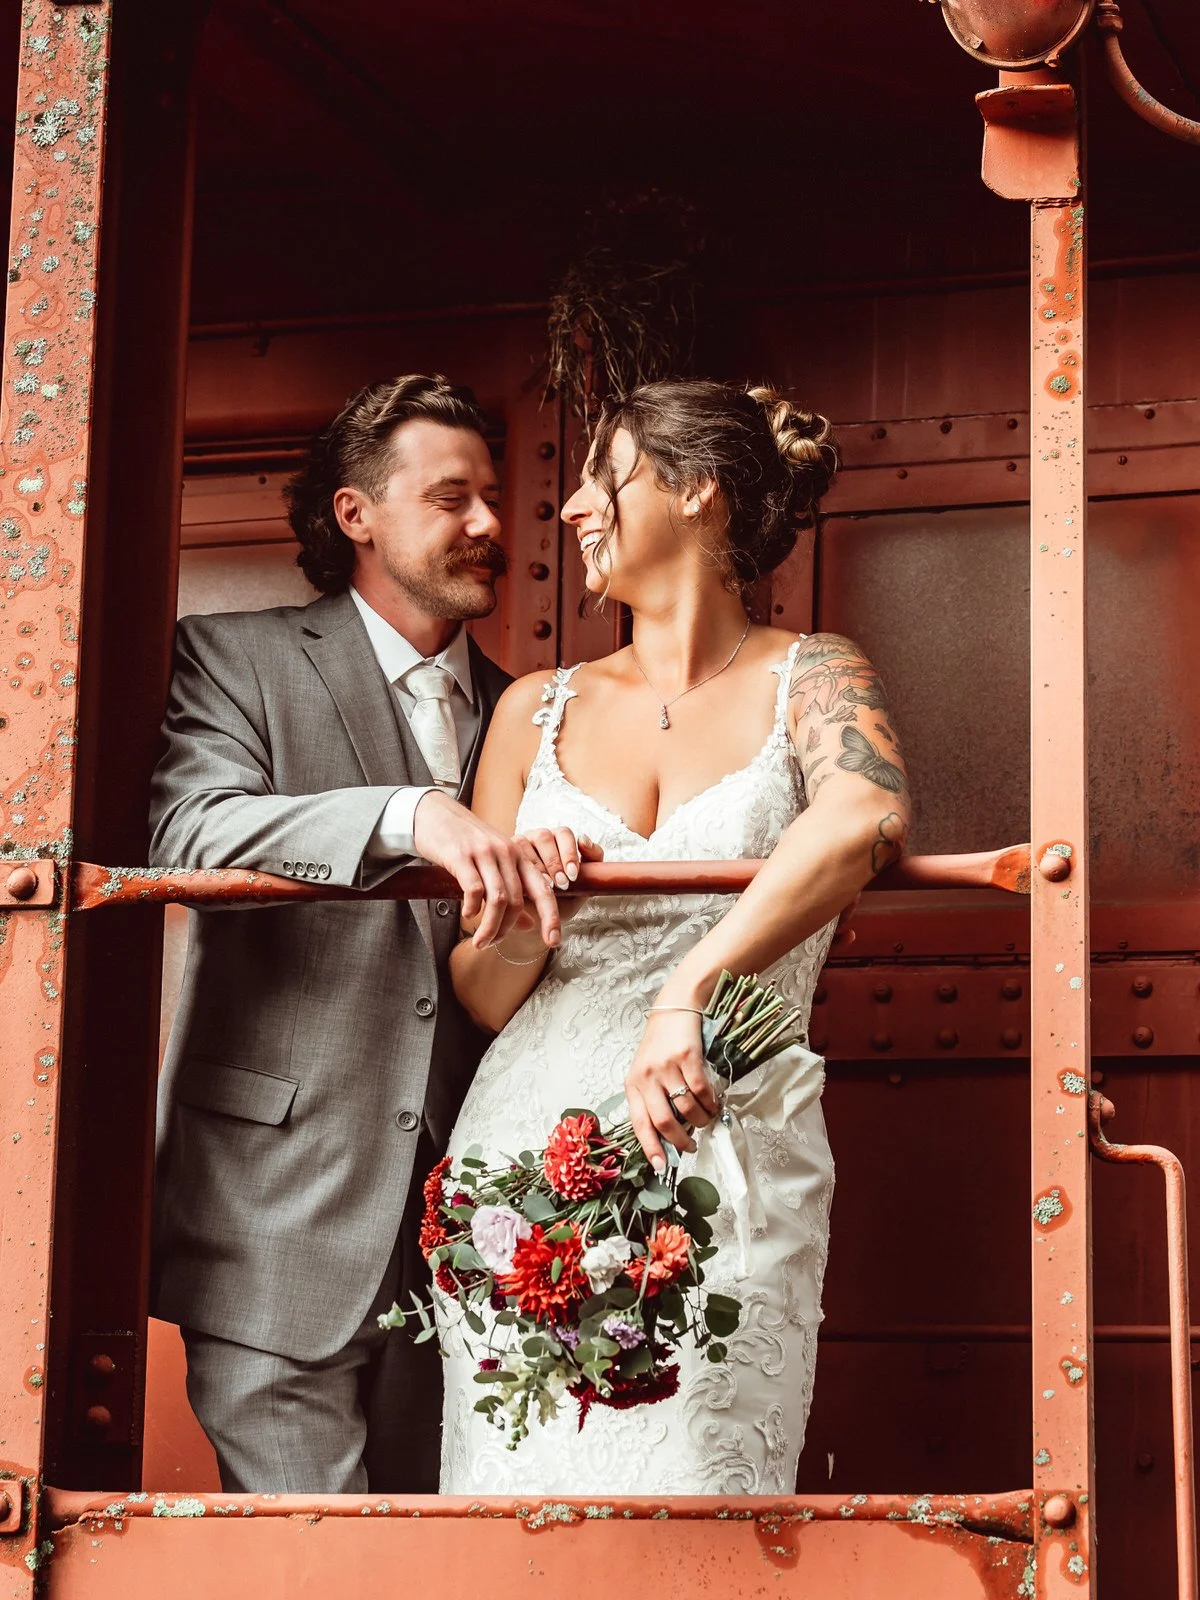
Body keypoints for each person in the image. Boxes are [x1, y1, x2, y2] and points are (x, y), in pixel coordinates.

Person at [436, 378, 912, 1493]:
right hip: (521, 1169)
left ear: (696, 491)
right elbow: (483, 994)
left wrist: (686, 991)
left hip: (727, 1154)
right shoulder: (532, 710)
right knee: (516, 1506)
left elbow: (866, 814)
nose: (571, 508)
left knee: (703, 1486)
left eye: (606, 474)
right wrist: (525, 912)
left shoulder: (816, 674)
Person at [149, 374, 563, 1494]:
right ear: (356, 515)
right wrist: (403, 810)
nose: (488, 523)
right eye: (451, 498)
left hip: (472, 1238)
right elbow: (191, 826)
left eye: (493, 495)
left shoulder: (528, 711)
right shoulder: (233, 657)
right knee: (313, 1565)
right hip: (277, 1216)